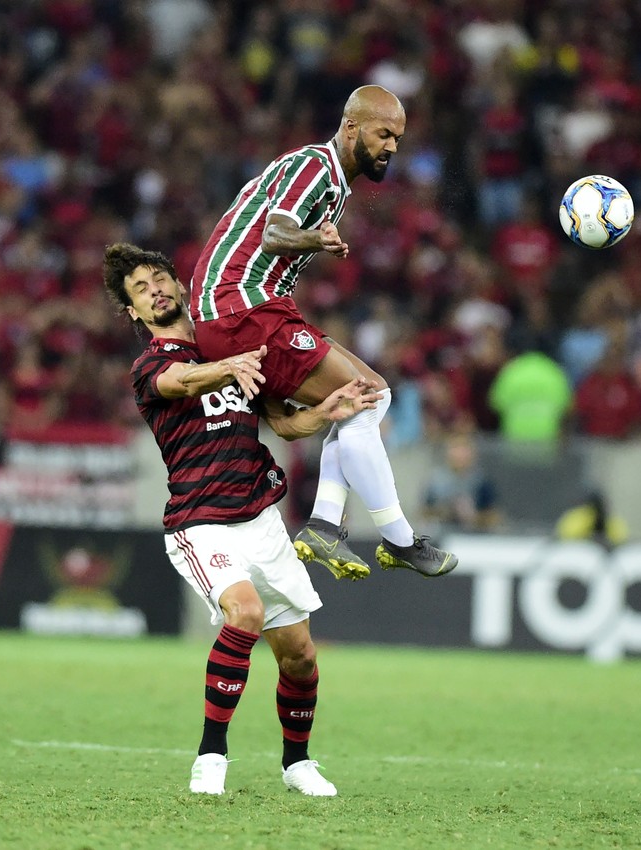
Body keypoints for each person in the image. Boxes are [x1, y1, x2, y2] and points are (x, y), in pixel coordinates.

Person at [103, 242, 383, 797]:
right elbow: (181, 383)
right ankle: (210, 755)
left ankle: (297, 763)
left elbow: (282, 424)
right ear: (134, 312)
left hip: (259, 516)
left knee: (300, 655)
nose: (155, 289)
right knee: (245, 612)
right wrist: (225, 365)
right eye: (140, 288)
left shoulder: (230, 347)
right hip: (199, 521)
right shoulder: (152, 366)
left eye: (160, 278)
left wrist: (325, 413)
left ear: (182, 287)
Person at [189, 85, 457, 581]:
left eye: (397, 138)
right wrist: (315, 237)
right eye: (383, 134)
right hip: (240, 308)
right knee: (370, 399)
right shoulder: (315, 166)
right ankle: (397, 539)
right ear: (351, 127)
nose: (392, 147)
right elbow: (275, 232)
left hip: (248, 311)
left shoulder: (335, 186)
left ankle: (323, 525)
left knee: (371, 396)